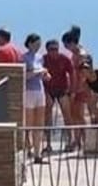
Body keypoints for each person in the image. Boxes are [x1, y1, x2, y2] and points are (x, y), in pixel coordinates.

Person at [42, 39, 74, 152]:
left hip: (62, 89)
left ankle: (70, 141)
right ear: (47, 50)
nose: (54, 52)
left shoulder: (64, 59)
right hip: (48, 90)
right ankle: (48, 143)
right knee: (47, 116)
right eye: (52, 49)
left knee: (67, 114)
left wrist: (71, 90)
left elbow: (72, 73)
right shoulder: (43, 60)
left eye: (56, 49)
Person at [22, 33, 49, 164]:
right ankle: (28, 148)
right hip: (28, 92)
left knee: (39, 124)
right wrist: (37, 72)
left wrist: (45, 75)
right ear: (30, 43)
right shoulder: (24, 58)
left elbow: (42, 73)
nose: (38, 46)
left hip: (40, 90)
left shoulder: (40, 58)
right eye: (36, 44)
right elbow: (24, 76)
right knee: (28, 123)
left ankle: (38, 154)